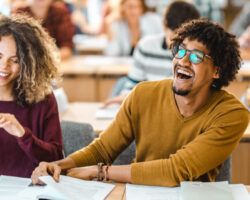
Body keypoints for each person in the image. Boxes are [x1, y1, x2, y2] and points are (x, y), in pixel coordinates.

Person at [31, 19, 249, 187]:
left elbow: (176, 170)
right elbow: (103, 149)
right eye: (180, 50)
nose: (182, 60)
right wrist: (59, 165)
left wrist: (99, 172)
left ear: (217, 71)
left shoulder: (232, 114)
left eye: (195, 57)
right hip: (139, 192)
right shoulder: (143, 94)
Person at [0, 14, 63, 178]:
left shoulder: (43, 99)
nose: (4, 66)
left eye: (15, 60)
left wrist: (22, 134)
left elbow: (56, 159)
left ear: (29, 63)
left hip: (29, 190)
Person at [104, 0, 200, 106]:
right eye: (173, 38)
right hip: (148, 109)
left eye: (183, 40)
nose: (177, 46)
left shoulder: (198, 55)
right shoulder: (146, 46)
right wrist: (127, 97)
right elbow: (131, 86)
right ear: (164, 26)